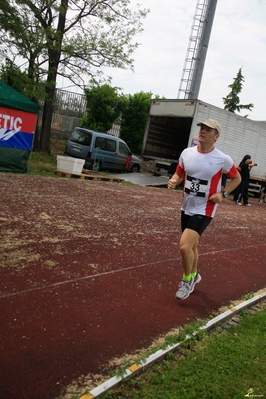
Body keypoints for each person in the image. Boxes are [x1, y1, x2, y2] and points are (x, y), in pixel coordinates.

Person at [168, 119, 241, 300]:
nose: (203, 131)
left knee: (184, 246)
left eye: (208, 130)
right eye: (202, 128)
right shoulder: (187, 153)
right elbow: (179, 172)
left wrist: (223, 194)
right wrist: (174, 180)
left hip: (205, 208)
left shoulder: (222, 159)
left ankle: (187, 281)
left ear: (216, 136)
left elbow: (237, 178)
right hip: (187, 206)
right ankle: (195, 275)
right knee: (193, 246)